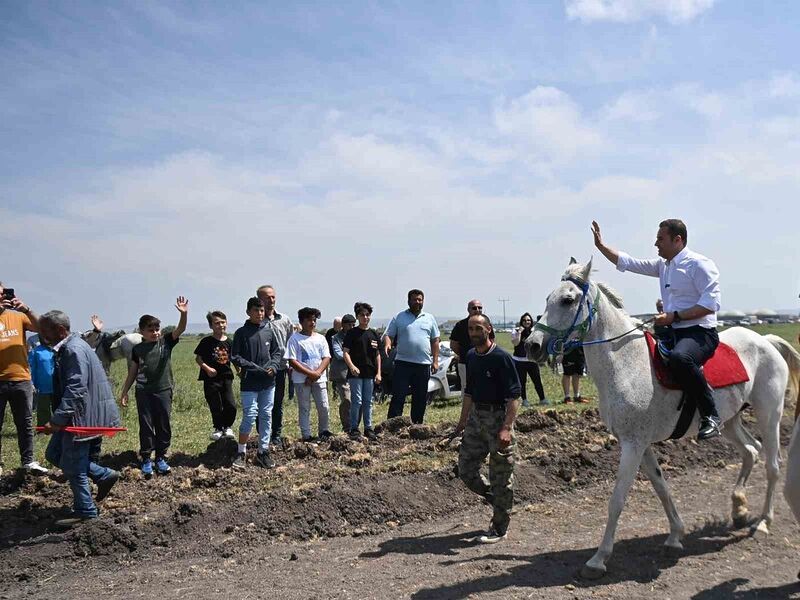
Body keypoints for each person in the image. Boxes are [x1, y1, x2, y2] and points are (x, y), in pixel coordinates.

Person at [592, 219, 722, 439]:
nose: (655, 244)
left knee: (681, 358)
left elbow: (711, 305)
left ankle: (711, 415)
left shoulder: (699, 264)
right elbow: (630, 263)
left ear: (677, 240)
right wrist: (602, 247)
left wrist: (674, 316)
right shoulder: (664, 265)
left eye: (660, 239)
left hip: (699, 333)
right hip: (672, 331)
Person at [38, 310, 121, 527]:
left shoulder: (73, 349)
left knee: (73, 466)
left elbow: (76, 388)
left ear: (59, 330)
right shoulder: (74, 345)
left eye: (45, 330)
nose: (41, 334)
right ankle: (103, 475)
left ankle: (86, 511)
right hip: (83, 414)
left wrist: (57, 419)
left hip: (82, 418)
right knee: (54, 453)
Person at [455, 313, 521, 544]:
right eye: (471, 329)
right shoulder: (472, 356)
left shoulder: (502, 358)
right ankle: (495, 498)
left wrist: (506, 428)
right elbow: (469, 392)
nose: (474, 333)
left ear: (489, 329)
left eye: (478, 328)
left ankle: (500, 528)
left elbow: (514, 396)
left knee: (501, 476)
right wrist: (462, 422)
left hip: (499, 419)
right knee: (465, 469)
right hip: (476, 419)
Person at [119, 296, 189, 477]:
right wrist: (125, 391)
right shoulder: (138, 350)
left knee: (163, 424)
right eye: (150, 330)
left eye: (157, 329)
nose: (155, 332)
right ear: (141, 331)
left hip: (163, 390)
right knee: (146, 425)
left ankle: (161, 458)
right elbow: (133, 371)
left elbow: (180, 329)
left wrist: (184, 314)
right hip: (143, 392)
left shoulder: (166, 342)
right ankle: (146, 459)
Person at [0, 282, 48, 476]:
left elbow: (41, 328)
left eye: (2, 293)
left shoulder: (18, 316)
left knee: (25, 423)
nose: (1, 296)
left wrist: (26, 309)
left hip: (21, 378)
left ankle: (28, 462)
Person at [230, 297, 283, 469]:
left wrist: (274, 367)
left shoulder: (269, 330)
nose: (260, 314)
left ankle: (263, 452)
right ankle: (241, 452)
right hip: (250, 382)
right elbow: (235, 357)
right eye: (256, 310)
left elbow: (277, 352)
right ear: (248, 312)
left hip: (268, 382)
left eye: (262, 310)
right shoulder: (241, 333)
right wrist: (255, 368)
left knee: (266, 415)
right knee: (250, 415)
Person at [384, 289, 440, 424]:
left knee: (420, 397)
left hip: (423, 364)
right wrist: (387, 344)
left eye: (420, 300)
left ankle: (417, 425)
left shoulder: (429, 318)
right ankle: (392, 424)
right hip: (403, 363)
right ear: (408, 301)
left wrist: (435, 361)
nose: (417, 302)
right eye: (414, 299)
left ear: (423, 301)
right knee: (398, 395)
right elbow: (388, 335)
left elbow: (435, 340)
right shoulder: (399, 317)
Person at [285, 307, 332, 442]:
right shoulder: (295, 339)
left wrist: (316, 374)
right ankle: (306, 435)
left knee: (323, 406)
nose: (312, 323)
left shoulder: (321, 338)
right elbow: (292, 361)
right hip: (301, 379)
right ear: (301, 321)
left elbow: (326, 358)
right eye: (309, 320)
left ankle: (324, 431)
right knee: (304, 407)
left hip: (319, 378)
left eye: (314, 320)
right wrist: (310, 374)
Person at [256, 285, 295, 447]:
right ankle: (262, 433)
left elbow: (291, 342)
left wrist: (291, 363)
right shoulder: (256, 321)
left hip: (280, 368)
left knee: (277, 403)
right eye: (266, 298)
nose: (270, 300)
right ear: (259, 300)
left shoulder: (284, 320)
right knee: (261, 404)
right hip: (261, 369)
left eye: (272, 297)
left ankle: (276, 434)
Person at [194, 311, 237, 441]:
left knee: (230, 404)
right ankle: (218, 428)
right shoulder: (206, 341)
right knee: (215, 404)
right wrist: (207, 369)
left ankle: (228, 426)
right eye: (217, 323)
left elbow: (234, 359)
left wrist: (239, 371)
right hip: (211, 379)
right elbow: (198, 359)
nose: (220, 325)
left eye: (223, 322)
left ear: (226, 323)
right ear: (211, 326)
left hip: (226, 377)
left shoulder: (230, 342)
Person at [343, 303, 382, 440]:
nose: (365, 317)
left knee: (368, 401)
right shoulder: (352, 333)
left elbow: (377, 355)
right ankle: (354, 428)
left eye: (367, 315)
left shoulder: (374, 334)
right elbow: (345, 353)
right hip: (356, 374)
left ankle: (368, 428)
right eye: (362, 315)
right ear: (357, 317)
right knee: (357, 401)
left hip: (370, 373)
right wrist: (351, 366)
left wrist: (379, 373)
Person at [511, 313, 549, 407]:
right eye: (524, 320)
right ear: (521, 321)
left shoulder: (534, 331)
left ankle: (542, 399)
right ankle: (524, 400)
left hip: (532, 360)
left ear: (531, 321)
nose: (526, 322)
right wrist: (519, 332)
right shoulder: (516, 331)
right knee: (522, 382)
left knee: (537, 381)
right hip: (519, 361)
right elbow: (515, 343)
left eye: (528, 320)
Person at [449, 300, 483, 399]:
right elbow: (453, 344)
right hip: (465, 363)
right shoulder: (460, 325)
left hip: (484, 361)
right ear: (468, 310)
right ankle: (467, 413)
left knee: (483, 385)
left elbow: (492, 341)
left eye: (480, 307)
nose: (477, 310)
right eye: (474, 308)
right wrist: (465, 355)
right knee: (466, 387)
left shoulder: (486, 323)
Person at [329, 314, 355, 432]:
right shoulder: (336, 338)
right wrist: (352, 356)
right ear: (343, 325)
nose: (351, 327)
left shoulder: (356, 336)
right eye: (349, 324)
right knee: (346, 400)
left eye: (353, 324)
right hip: (342, 374)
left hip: (355, 374)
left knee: (356, 401)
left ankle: (354, 426)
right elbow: (339, 354)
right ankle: (346, 426)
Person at [28, 339, 56, 426]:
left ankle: (59, 427)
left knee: (59, 408)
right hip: (43, 386)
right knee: (43, 409)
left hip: (57, 385)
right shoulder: (36, 351)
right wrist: (32, 383)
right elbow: (32, 369)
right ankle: (43, 429)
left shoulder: (58, 349)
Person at [326, 317, 343, 403]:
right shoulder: (330, 332)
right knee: (334, 377)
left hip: (342, 359)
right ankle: (335, 394)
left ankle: (340, 394)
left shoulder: (343, 333)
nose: (335, 326)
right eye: (334, 324)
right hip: (331, 357)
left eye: (337, 324)